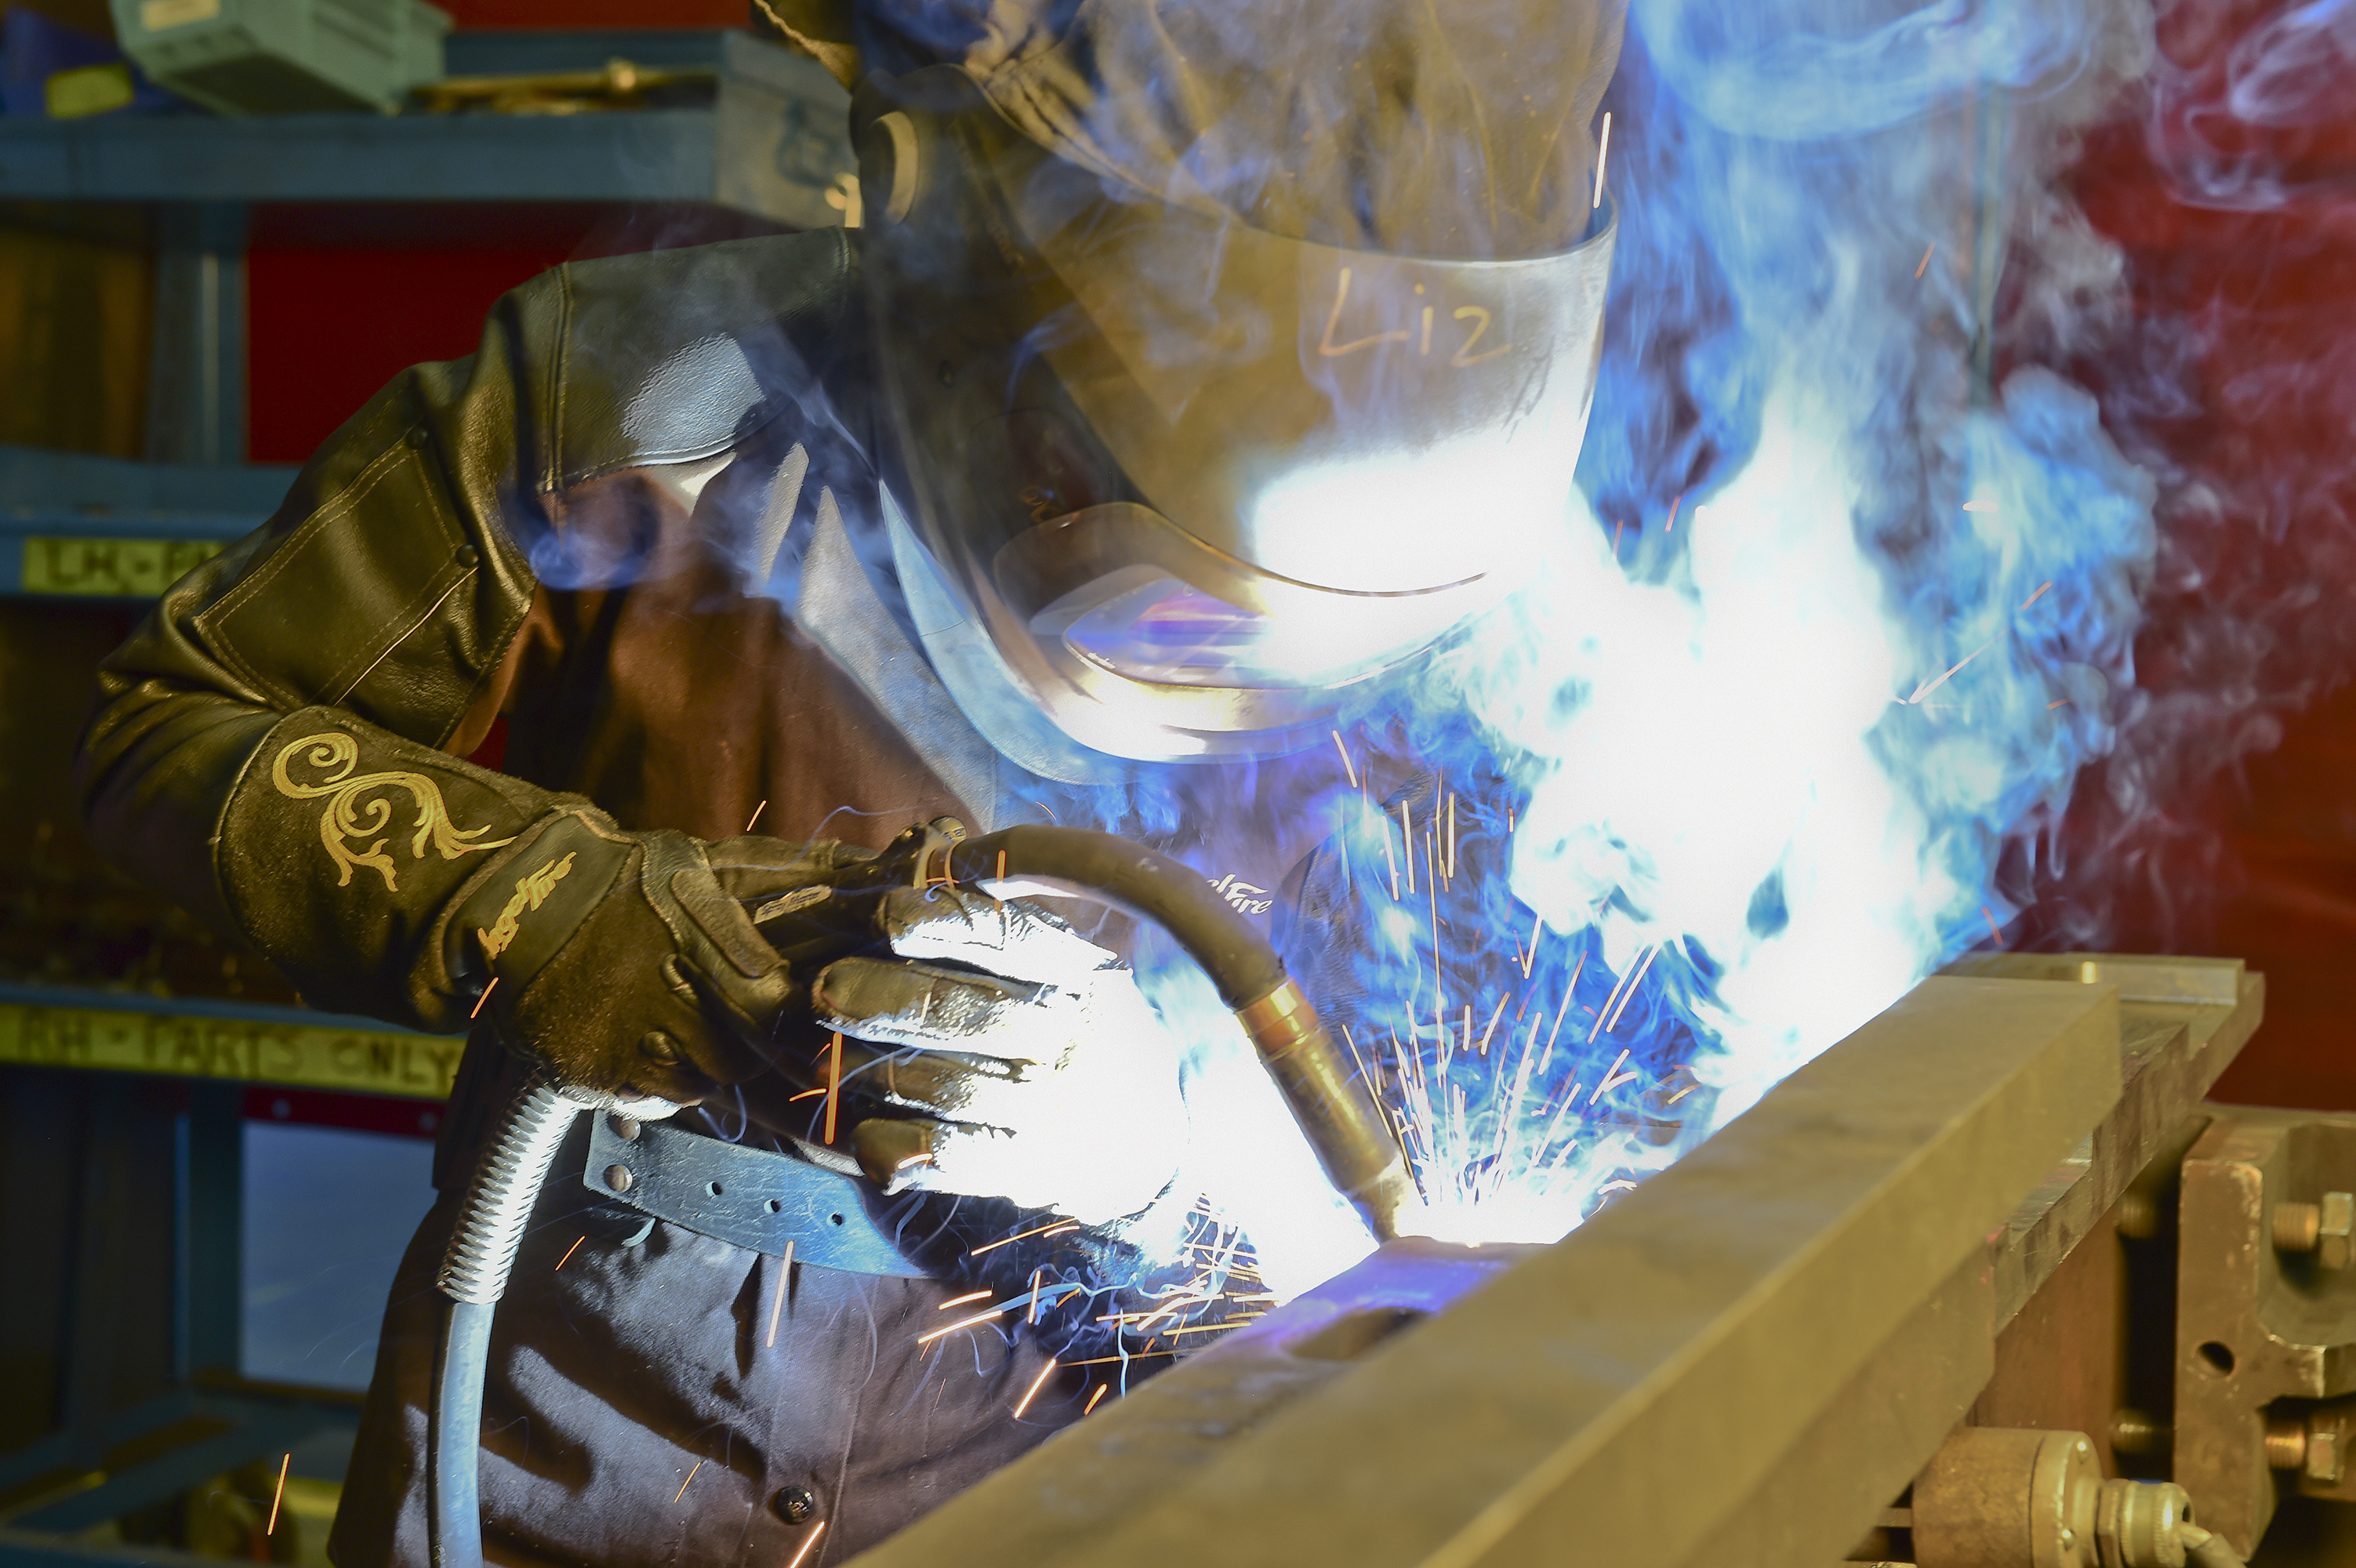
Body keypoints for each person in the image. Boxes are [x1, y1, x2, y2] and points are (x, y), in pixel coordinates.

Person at [74, 1, 1623, 1560]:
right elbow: (164, 728)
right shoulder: (631, 393)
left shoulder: (1472, 634)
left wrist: (1161, 1179)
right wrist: (554, 906)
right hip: (551, 1492)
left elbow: (1427, 1225)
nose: (1229, 669)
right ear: (960, 230)